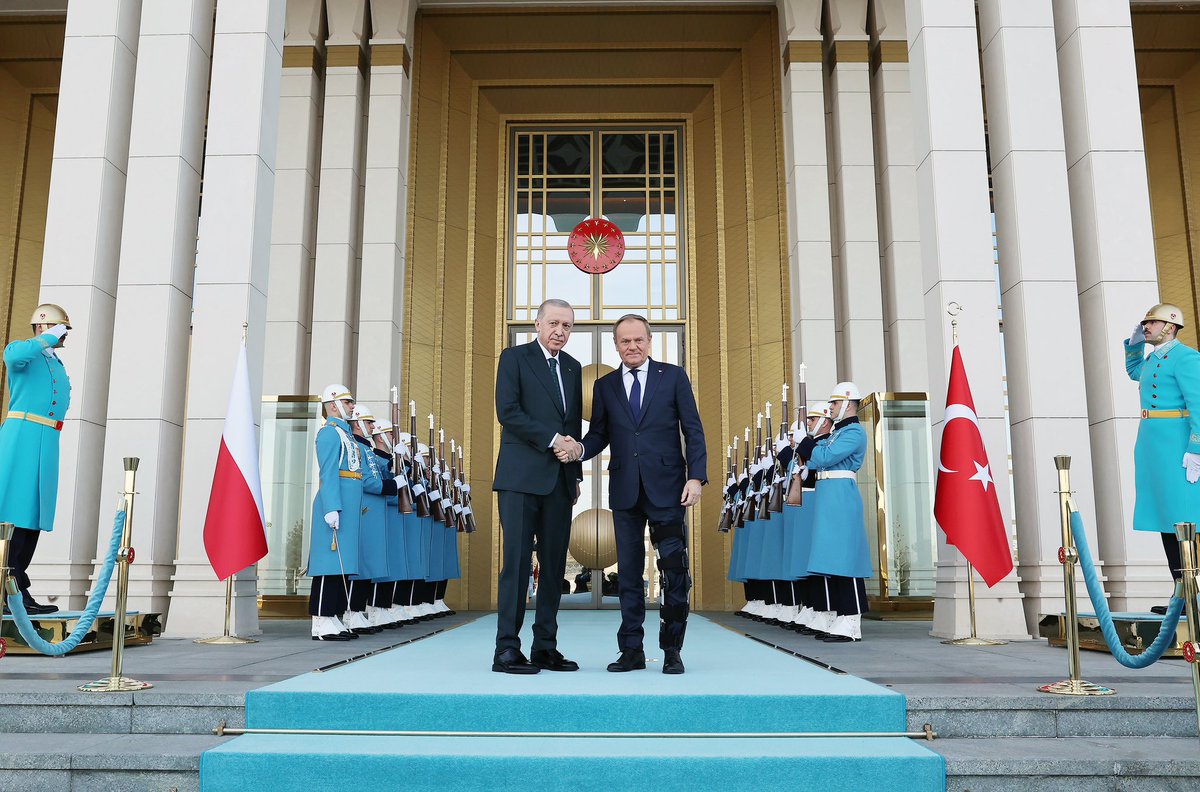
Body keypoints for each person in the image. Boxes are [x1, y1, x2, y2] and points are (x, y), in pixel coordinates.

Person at [564, 314, 706, 674]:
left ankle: (672, 650)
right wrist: (579, 449)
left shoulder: (673, 377)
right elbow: (598, 435)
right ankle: (631, 652)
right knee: (628, 574)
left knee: (675, 572)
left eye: (638, 340)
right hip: (625, 491)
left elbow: (693, 430)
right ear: (616, 345)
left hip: (670, 491)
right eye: (625, 341)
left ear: (649, 341)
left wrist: (696, 478)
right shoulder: (605, 386)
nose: (632, 346)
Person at [492, 298, 583, 674]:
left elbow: (573, 421)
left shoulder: (574, 368)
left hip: (560, 482)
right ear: (538, 324)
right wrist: (553, 440)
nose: (559, 331)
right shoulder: (513, 358)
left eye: (566, 325)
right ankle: (506, 650)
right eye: (554, 323)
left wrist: (575, 468)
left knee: (553, 567)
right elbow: (508, 412)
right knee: (516, 564)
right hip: (520, 479)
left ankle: (545, 645)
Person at [1124, 303, 1200, 610]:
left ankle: (1192, 594)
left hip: (1177, 444)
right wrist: (1134, 346)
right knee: (1166, 520)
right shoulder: (1154, 358)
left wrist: (1195, 448)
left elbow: (1199, 404)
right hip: (1152, 444)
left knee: (1185, 521)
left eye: (1150, 324)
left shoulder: (1187, 357)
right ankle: (1182, 594)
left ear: (1169, 326)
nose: (1145, 327)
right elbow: (1133, 372)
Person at [0, 304, 73, 615]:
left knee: (34, 516)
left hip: (47, 439)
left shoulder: (55, 363)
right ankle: (11, 589)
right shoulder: (23, 352)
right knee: (14, 514)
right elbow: (13, 357)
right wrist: (44, 338)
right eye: (60, 329)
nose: (63, 336)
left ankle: (17, 589)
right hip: (22, 435)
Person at [798, 382, 871, 642]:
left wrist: (805, 444)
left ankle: (852, 620)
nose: (832, 408)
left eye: (836, 404)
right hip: (829, 492)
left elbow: (823, 458)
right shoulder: (839, 433)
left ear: (849, 403)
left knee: (845, 558)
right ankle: (839, 614)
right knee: (831, 557)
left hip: (840, 491)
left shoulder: (853, 432)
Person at [308, 384, 363, 641]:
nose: (352, 405)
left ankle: (334, 616)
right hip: (335, 503)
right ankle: (321, 620)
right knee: (329, 564)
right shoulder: (329, 433)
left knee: (342, 565)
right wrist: (332, 507)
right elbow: (328, 472)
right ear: (332, 405)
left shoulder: (345, 434)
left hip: (348, 504)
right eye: (348, 401)